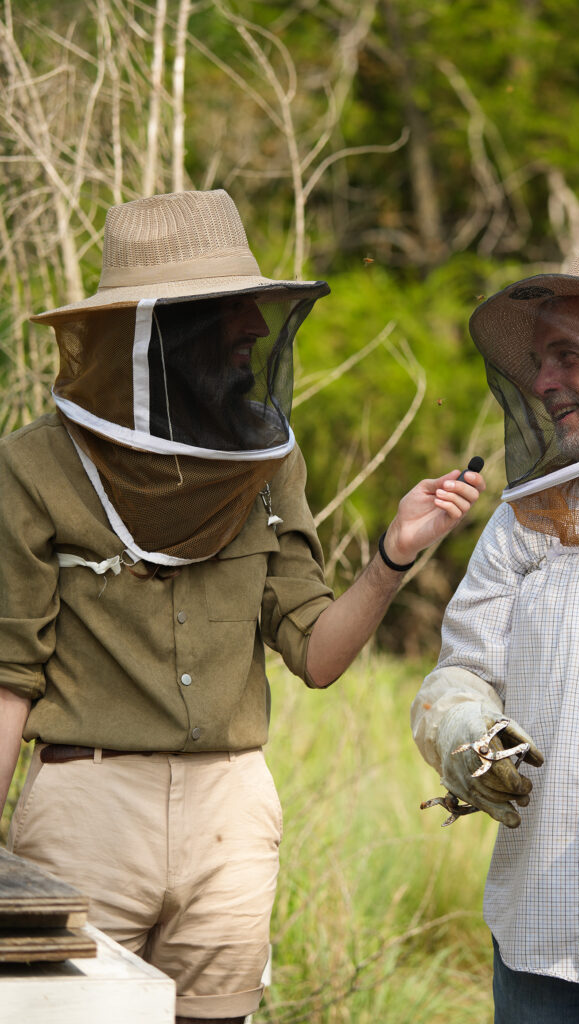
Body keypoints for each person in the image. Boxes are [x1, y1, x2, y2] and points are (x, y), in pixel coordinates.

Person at [0, 189, 485, 1024]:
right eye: (230, 312)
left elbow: (318, 655)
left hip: (231, 809)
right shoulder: (33, 468)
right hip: (86, 806)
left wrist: (394, 554)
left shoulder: (269, 460)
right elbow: (8, 676)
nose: (255, 331)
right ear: (163, 328)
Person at [411, 229, 579, 1023]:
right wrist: (459, 723)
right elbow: (462, 666)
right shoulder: (524, 521)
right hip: (545, 937)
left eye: (564, 354)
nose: (542, 381)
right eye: (536, 362)